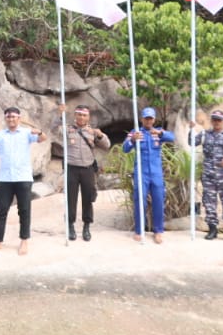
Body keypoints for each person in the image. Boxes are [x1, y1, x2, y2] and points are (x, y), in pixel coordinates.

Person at [0, 107, 42, 255]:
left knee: (24, 210)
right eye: (8, 117)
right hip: (5, 178)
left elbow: (43, 139)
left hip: (23, 177)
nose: (11, 119)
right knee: (1, 210)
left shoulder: (26, 133)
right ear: (5, 119)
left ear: (19, 118)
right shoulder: (1, 134)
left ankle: (24, 240)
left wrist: (40, 132)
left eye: (14, 117)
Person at [122, 107, 176, 243]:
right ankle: (139, 230)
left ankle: (158, 231)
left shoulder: (157, 132)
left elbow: (172, 137)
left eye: (150, 118)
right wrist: (133, 140)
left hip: (156, 173)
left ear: (154, 120)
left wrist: (160, 134)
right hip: (141, 172)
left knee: (159, 200)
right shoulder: (136, 132)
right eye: (146, 118)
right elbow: (125, 148)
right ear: (142, 119)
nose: (148, 121)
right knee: (140, 200)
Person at [57, 103, 110, 242]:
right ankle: (70, 225)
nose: (81, 117)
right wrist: (60, 115)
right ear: (75, 115)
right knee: (71, 198)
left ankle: (86, 226)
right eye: (79, 114)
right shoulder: (68, 130)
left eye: (84, 115)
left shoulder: (92, 132)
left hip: (87, 169)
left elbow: (106, 146)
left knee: (88, 198)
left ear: (88, 117)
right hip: (71, 168)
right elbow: (56, 130)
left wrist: (100, 136)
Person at [191, 110, 223, 241]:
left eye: (219, 120)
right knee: (209, 202)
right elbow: (192, 142)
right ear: (211, 121)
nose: (216, 122)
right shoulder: (204, 134)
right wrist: (191, 129)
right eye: (214, 119)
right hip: (209, 175)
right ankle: (212, 229)